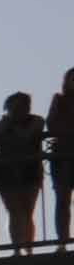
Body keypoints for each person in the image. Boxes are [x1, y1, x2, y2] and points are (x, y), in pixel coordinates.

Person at [0, 92, 46, 254]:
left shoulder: (36, 121)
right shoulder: (4, 124)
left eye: (22, 106)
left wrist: (9, 125)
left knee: (27, 210)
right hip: (6, 172)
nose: (18, 110)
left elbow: (25, 136)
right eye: (14, 107)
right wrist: (4, 125)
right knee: (14, 211)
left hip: (29, 170)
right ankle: (17, 248)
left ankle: (28, 248)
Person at [50, 69, 74, 249]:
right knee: (62, 199)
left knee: (63, 200)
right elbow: (52, 124)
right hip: (63, 154)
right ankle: (62, 241)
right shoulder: (59, 100)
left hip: (64, 152)